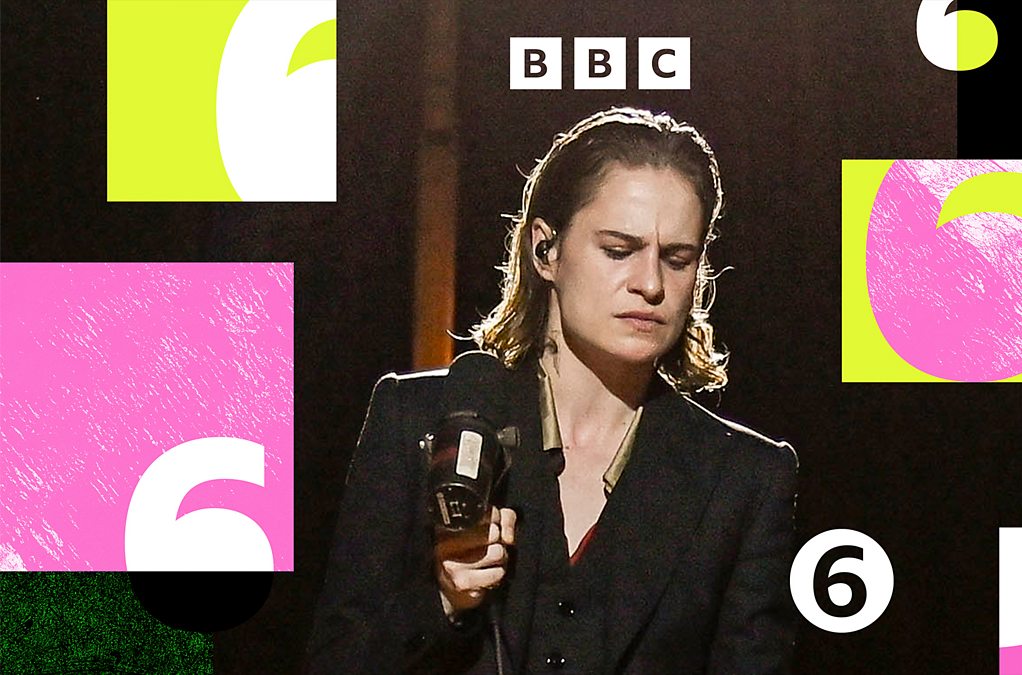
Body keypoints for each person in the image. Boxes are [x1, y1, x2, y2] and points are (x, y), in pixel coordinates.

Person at [306, 107, 799, 674]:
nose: (651, 284)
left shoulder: (744, 478)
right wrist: (443, 602)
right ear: (546, 250)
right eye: (619, 250)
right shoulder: (414, 421)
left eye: (677, 259)